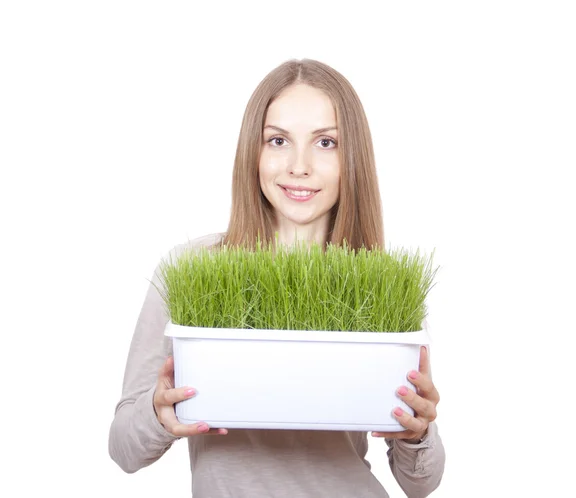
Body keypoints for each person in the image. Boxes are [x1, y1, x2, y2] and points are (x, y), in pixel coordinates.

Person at [109, 58, 445, 497]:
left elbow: (421, 485)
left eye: (326, 142)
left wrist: (417, 431)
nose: (299, 166)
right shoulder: (192, 268)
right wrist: (159, 414)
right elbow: (123, 449)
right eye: (278, 140)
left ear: (352, 158)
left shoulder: (380, 282)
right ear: (254, 150)